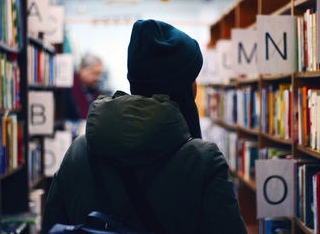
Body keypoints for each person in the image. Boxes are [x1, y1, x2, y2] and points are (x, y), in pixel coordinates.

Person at [42, 19, 248, 234]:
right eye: (193, 78)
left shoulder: (79, 151)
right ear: (186, 87)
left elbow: (52, 226)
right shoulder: (204, 161)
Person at [65, 54, 103, 119]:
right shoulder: (69, 86)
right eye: (95, 73)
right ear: (83, 70)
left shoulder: (96, 91)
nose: (99, 78)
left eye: (100, 74)